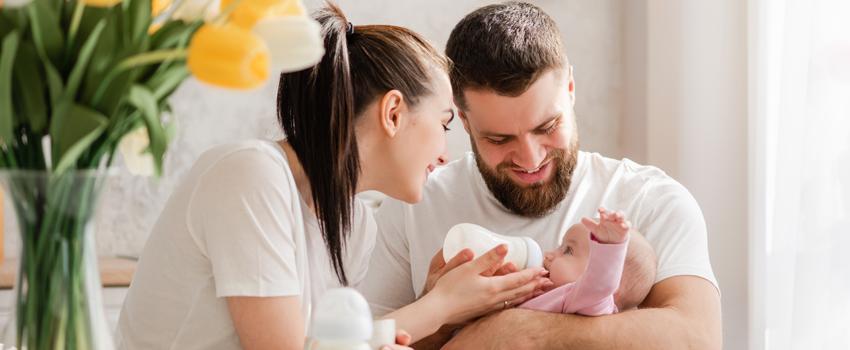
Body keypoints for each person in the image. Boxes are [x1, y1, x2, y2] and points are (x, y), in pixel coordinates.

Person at [116, 3, 548, 349]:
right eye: (444, 122)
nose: (444, 153)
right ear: (393, 113)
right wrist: (440, 305)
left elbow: (330, 344)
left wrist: (438, 306)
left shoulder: (355, 225)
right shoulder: (250, 175)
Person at [359, 2, 722, 349]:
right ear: (464, 120)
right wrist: (440, 313)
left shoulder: (648, 201)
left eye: (547, 126)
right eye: (499, 139)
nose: (530, 158)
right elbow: (359, 343)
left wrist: (526, 332)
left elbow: (698, 339)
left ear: (570, 90)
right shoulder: (414, 203)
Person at [518, 208, 656, 315]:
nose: (548, 255)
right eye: (560, 247)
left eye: (568, 251)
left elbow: (599, 284)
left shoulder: (588, 301)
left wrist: (610, 247)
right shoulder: (544, 292)